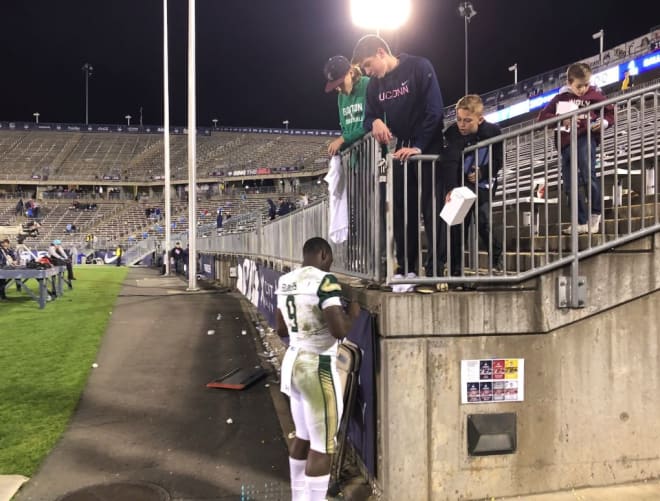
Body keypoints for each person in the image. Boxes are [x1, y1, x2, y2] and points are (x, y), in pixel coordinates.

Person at [352, 34, 445, 290]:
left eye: (369, 64)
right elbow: (367, 117)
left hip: (428, 146)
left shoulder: (419, 66)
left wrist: (419, 146)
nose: (368, 72)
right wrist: (375, 122)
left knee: (431, 209)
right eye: (364, 69)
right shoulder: (374, 85)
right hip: (403, 148)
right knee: (403, 212)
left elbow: (435, 110)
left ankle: (436, 271)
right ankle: (407, 269)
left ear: (381, 52)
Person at [275, 237, 361, 501]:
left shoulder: (285, 280)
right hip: (317, 366)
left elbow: (280, 330)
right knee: (323, 447)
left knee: (302, 436)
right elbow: (338, 330)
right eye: (331, 259)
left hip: (293, 362)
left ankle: (299, 497)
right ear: (324, 254)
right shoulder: (325, 281)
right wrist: (353, 314)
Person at [538, 62, 615, 234]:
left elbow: (610, 112)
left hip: (585, 138)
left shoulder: (596, 94)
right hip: (566, 144)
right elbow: (542, 118)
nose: (583, 89)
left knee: (588, 175)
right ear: (569, 82)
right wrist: (559, 118)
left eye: (586, 85)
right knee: (569, 186)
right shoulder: (560, 98)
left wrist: (603, 122)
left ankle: (595, 215)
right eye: (579, 86)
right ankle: (580, 221)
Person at [444, 95, 504, 273]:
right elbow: (449, 162)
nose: (462, 125)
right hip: (460, 185)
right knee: (458, 226)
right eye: (459, 119)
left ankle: (496, 261)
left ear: (480, 118)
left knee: (484, 222)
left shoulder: (493, 131)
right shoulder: (451, 133)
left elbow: (498, 159)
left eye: (467, 121)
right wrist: (451, 187)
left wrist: (483, 172)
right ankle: (455, 269)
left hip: (484, 184)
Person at [323, 55, 370, 156]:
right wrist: (340, 147)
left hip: (373, 155)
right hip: (355, 161)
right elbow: (345, 130)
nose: (339, 89)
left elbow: (373, 123)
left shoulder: (368, 84)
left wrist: (343, 140)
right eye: (335, 86)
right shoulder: (341, 97)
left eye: (340, 83)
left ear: (351, 73)